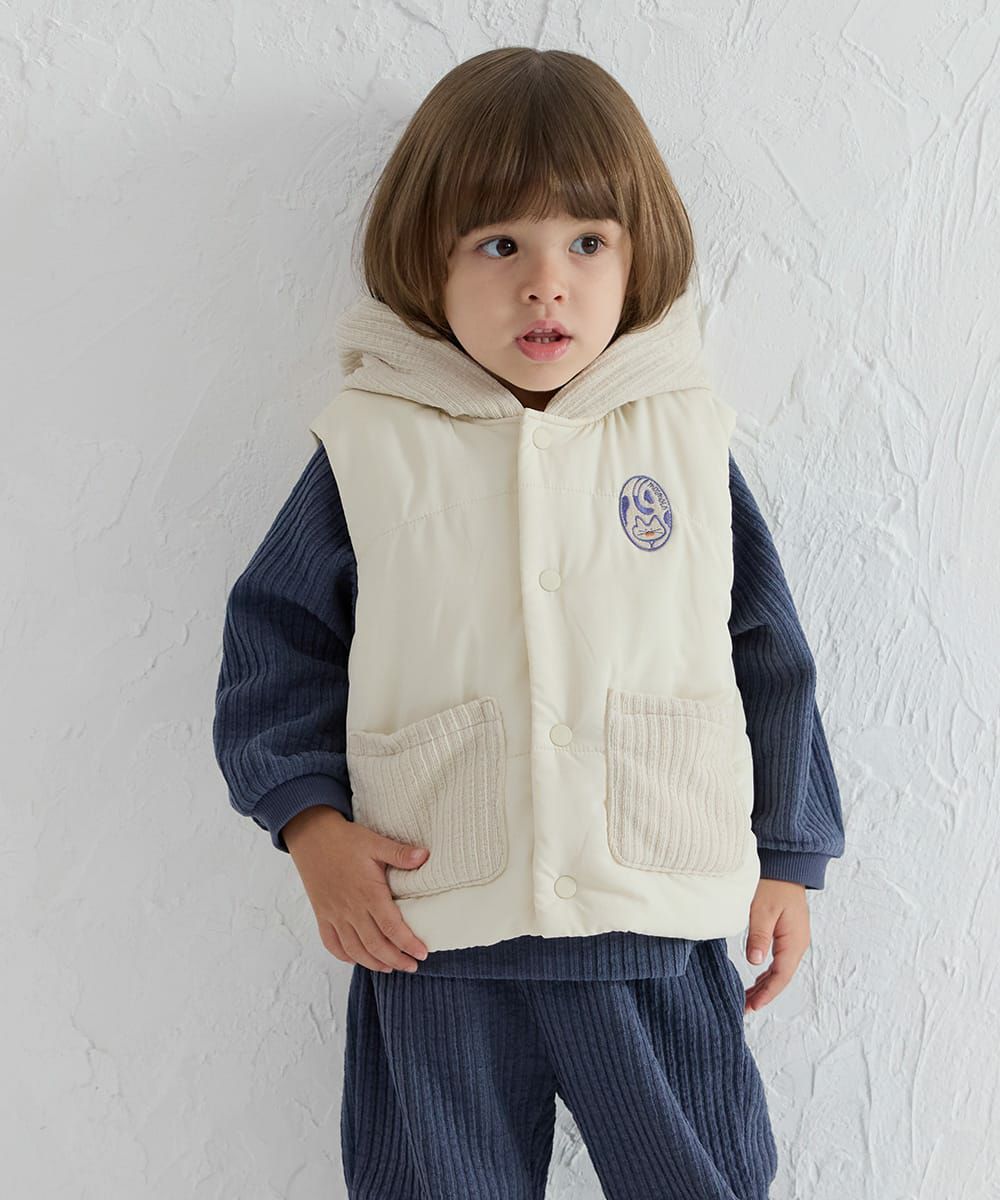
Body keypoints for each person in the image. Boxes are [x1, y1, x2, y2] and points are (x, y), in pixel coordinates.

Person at [213, 46, 845, 1200]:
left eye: (586, 243)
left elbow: (768, 654)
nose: (546, 286)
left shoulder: (682, 443)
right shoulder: (371, 444)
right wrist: (309, 826)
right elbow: (277, 645)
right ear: (430, 258)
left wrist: (788, 855)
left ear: (636, 257)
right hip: (433, 931)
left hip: (653, 918)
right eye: (500, 245)